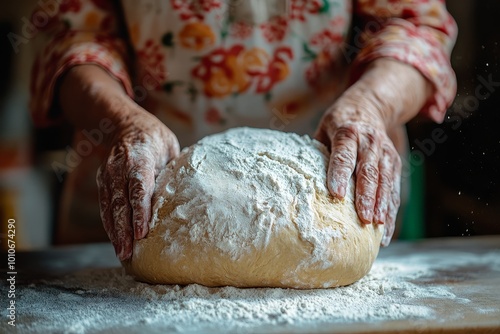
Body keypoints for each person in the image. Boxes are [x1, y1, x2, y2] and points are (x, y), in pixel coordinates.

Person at [30, 0, 457, 261]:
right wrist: (124, 120)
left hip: (328, 190)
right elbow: (74, 37)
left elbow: (414, 25)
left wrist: (372, 105)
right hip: (142, 187)